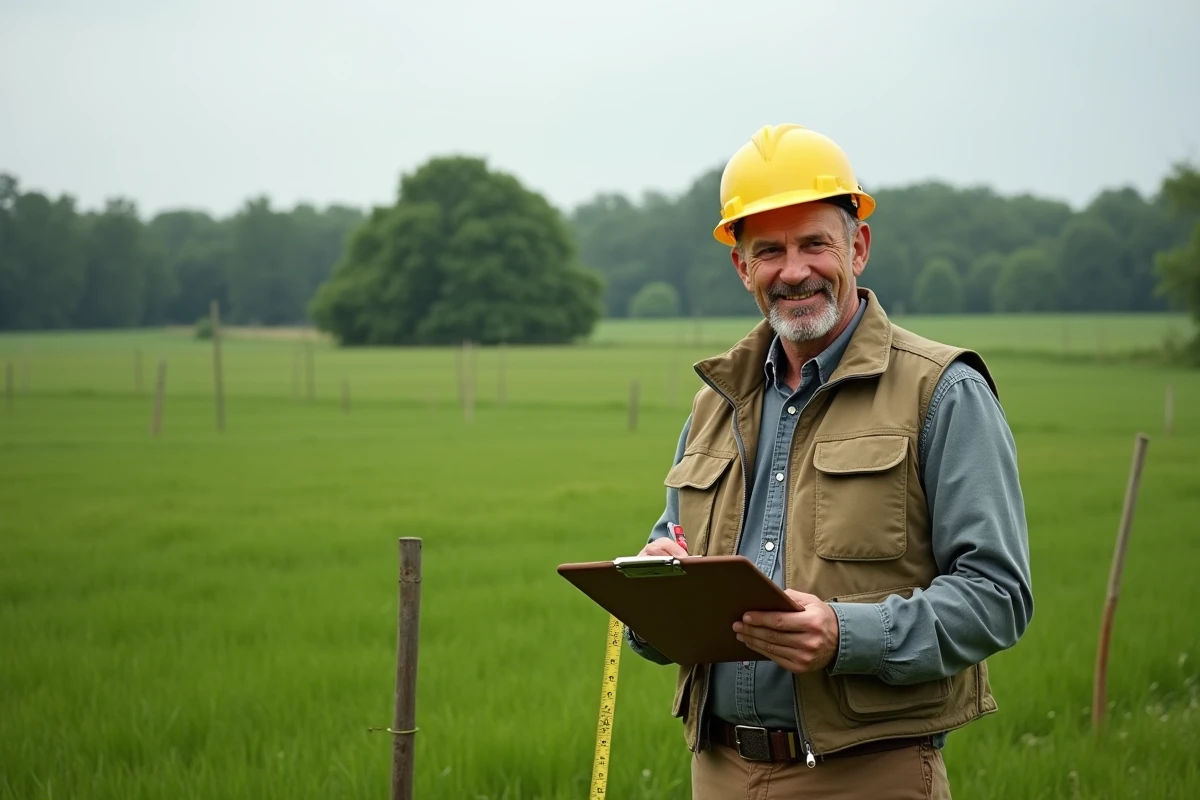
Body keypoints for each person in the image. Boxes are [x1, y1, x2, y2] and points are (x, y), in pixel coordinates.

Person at [624, 123, 1034, 799]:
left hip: (871, 775)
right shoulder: (712, 405)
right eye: (769, 251)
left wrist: (846, 635)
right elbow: (675, 566)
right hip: (717, 771)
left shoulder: (941, 390)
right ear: (741, 266)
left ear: (859, 246)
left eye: (815, 243)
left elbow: (998, 597)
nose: (794, 271)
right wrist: (653, 596)